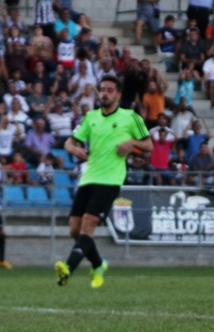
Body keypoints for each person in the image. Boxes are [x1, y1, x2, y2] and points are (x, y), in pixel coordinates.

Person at [56, 75, 152, 288]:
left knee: (88, 226)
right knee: (74, 228)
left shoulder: (130, 117)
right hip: (89, 177)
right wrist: (75, 149)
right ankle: (98, 264)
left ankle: (68, 268)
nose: (105, 93)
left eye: (109, 90)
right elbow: (68, 143)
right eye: (102, 89)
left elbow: (149, 145)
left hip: (110, 179)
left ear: (117, 94)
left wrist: (131, 143)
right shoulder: (90, 117)